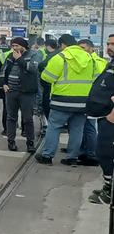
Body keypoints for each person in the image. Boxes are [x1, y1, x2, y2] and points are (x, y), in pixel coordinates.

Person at [37, 34, 95, 166]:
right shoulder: (89, 58)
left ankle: (47, 155)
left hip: (61, 101)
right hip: (83, 102)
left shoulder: (60, 57)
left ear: (62, 45)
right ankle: (72, 158)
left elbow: (46, 77)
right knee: (77, 129)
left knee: (54, 127)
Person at [0, 37, 39, 152]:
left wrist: (20, 59)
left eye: (17, 46)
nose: (14, 48)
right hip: (11, 91)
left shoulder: (33, 55)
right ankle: (11, 141)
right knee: (11, 117)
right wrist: (4, 84)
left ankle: (30, 143)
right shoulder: (10, 56)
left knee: (28, 119)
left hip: (26, 92)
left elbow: (33, 69)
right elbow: (4, 70)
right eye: (13, 46)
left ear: (23, 46)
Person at [90, 34, 114, 204]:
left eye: (113, 44)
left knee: (105, 152)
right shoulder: (111, 63)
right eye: (108, 43)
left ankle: (109, 191)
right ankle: (108, 186)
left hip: (111, 118)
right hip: (104, 115)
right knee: (103, 152)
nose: (109, 47)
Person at [75, 39, 106, 166]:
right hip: (84, 98)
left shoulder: (97, 62)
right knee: (84, 127)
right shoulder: (83, 60)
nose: (81, 50)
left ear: (91, 48)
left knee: (90, 127)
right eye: (79, 48)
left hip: (92, 99)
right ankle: (83, 151)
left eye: (83, 48)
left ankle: (91, 154)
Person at [38, 39, 59, 137]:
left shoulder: (53, 55)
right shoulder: (59, 54)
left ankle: (49, 129)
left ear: (48, 46)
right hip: (56, 87)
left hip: (49, 86)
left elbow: (41, 64)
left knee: (47, 106)